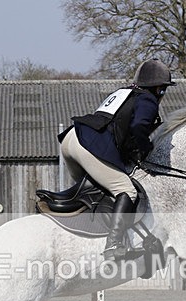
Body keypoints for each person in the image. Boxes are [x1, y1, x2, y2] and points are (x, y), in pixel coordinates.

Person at [56, 58, 175, 260]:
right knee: (126, 191)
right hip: (89, 146)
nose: (162, 95)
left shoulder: (123, 93)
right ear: (157, 88)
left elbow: (118, 128)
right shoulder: (147, 99)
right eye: (163, 90)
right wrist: (146, 150)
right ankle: (113, 244)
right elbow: (138, 128)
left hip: (71, 139)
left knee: (98, 191)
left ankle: (86, 237)